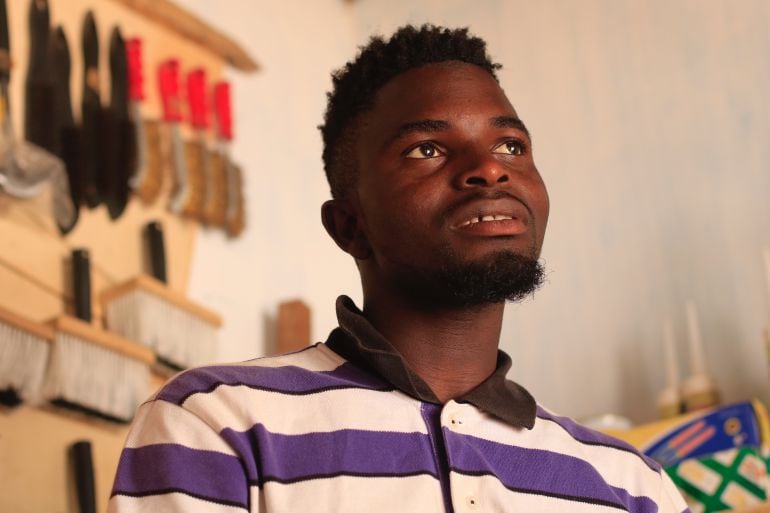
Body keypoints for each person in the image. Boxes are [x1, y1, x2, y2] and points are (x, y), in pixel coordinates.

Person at [108, 25, 690, 513]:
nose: (489, 169)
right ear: (349, 225)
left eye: (511, 146)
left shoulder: (633, 486)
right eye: (426, 150)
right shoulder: (218, 424)